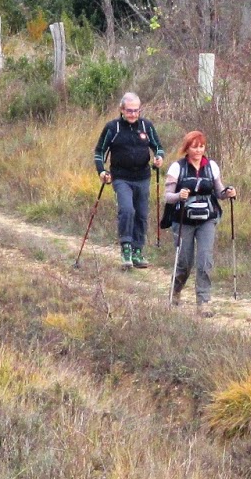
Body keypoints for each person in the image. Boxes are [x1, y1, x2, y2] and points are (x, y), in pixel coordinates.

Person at [162, 131, 238, 317]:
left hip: (207, 219)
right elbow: (167, 196)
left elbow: (219, 192)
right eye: (194, 146)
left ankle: (203, 302)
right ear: (187, 148)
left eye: (201, 146)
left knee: (205, 260)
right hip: (183, 220)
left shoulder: (211, 167)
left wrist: (228, 193)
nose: (198, 150)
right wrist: (179, 195)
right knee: (184, 262)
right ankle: (175, 291)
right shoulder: (177, 168)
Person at [93, 92, 164, 269]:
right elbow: (99, 152)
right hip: (121, 177)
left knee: (141, 214)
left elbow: (158, 147)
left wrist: (159, 158)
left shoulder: (146, 126)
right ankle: (126, 247)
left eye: (136, 111)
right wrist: (102, 171)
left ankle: (137, 251)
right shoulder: (113, 128)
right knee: (127, 210)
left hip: (143, 177)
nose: (133, 114)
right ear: (122, 110)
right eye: (129, 111)